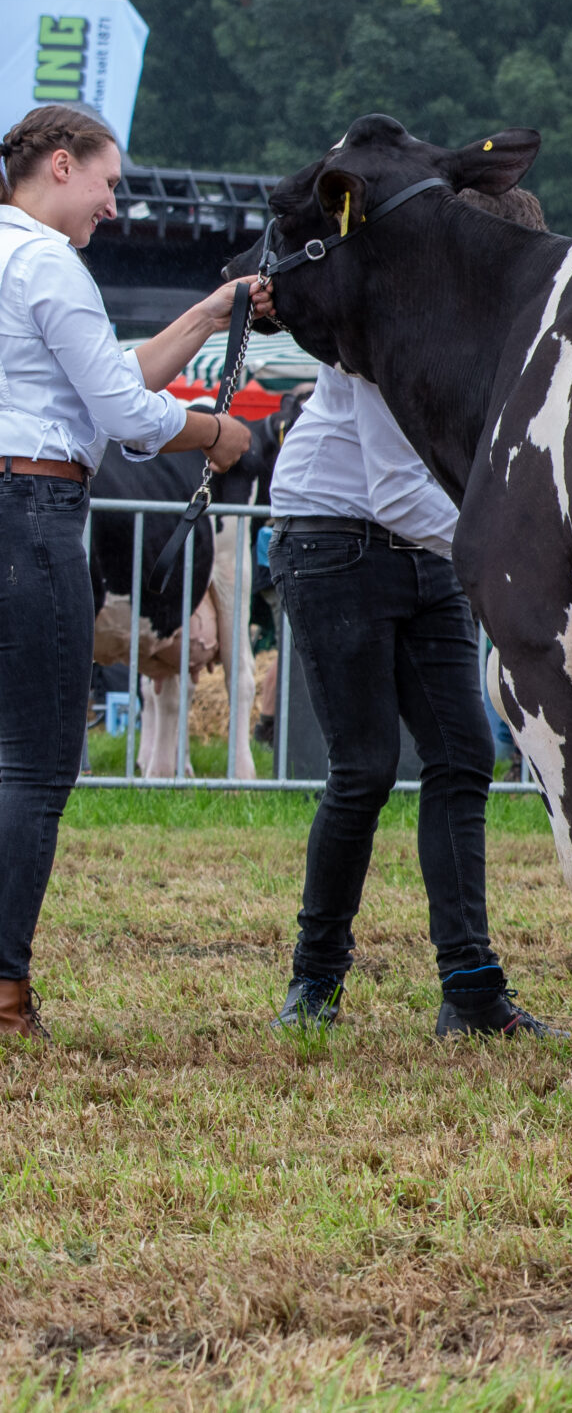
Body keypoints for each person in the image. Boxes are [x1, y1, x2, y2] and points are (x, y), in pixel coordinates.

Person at [266, 184, 560, 1037]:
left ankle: (469, 987)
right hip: (333, 538)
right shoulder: (392, 327)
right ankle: (314, 981)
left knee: (463, 754)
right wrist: (509, 546)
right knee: (362, 768)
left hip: (419, 548)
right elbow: (399, 486)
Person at [0, 105, 256, 1038]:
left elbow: (112, 373)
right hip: (29, 511)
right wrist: (215, 432)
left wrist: (209, 313)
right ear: (61, 165)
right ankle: (4, 991)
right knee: (32, 763)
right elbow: (126, 411)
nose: (116, 201)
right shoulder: (47, 263)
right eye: (109, 180)